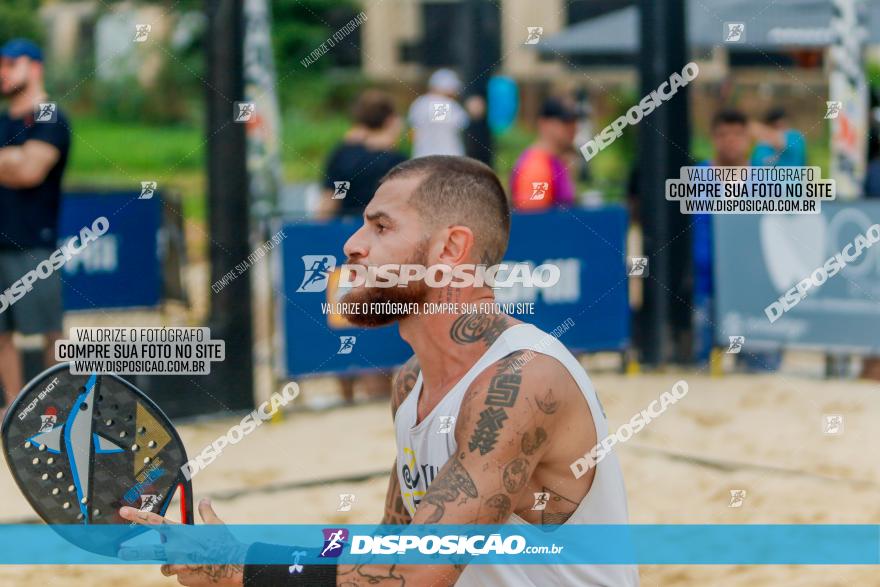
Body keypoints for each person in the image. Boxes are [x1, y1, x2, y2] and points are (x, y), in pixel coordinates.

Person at [121, 156, 639, 586]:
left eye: (381, 226)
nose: (353, 245)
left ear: (450, 249)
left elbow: (412, 575)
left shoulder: (522, 378)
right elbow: (385, 551)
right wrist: (239, 556)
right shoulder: (412, 381)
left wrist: (241, 567)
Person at [317, 90, 406, 403]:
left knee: (343, 319)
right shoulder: (396, 160)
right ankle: (377, 396)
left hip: (343, 247)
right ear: (390, 120)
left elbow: (325, 205)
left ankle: (346, 396)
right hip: (381, 250)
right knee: (375, 323)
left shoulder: (341, 153)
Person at [0, 38, 71, 414]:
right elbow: (18, 164)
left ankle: (61, 410)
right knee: (2, 335)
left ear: (36, 66)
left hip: (33, 242)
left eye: (11, 63)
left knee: (49, 332)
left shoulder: (49, 116)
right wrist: (11, 157)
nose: (3, 71)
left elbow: (30, 171)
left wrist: (18, 161)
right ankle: (13, 413)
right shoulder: (2, 121)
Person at [317, 89, 406, 220]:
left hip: (345, 227)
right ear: (390, 120)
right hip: (381, 230)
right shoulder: (397, 160)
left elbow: (333, 199)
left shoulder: (344, 155)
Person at [510, 97, 578, 211]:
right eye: (565, 122)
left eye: (574, 121)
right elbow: (535, 221)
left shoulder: (556, 161)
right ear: (544, 124)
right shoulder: (536, 167)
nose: (573, 128)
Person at [407, 69, 474, 159]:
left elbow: (413, 133)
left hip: (422, 157)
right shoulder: (443, 103)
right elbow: (457, 124)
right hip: (447, 158)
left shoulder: (419, 103)